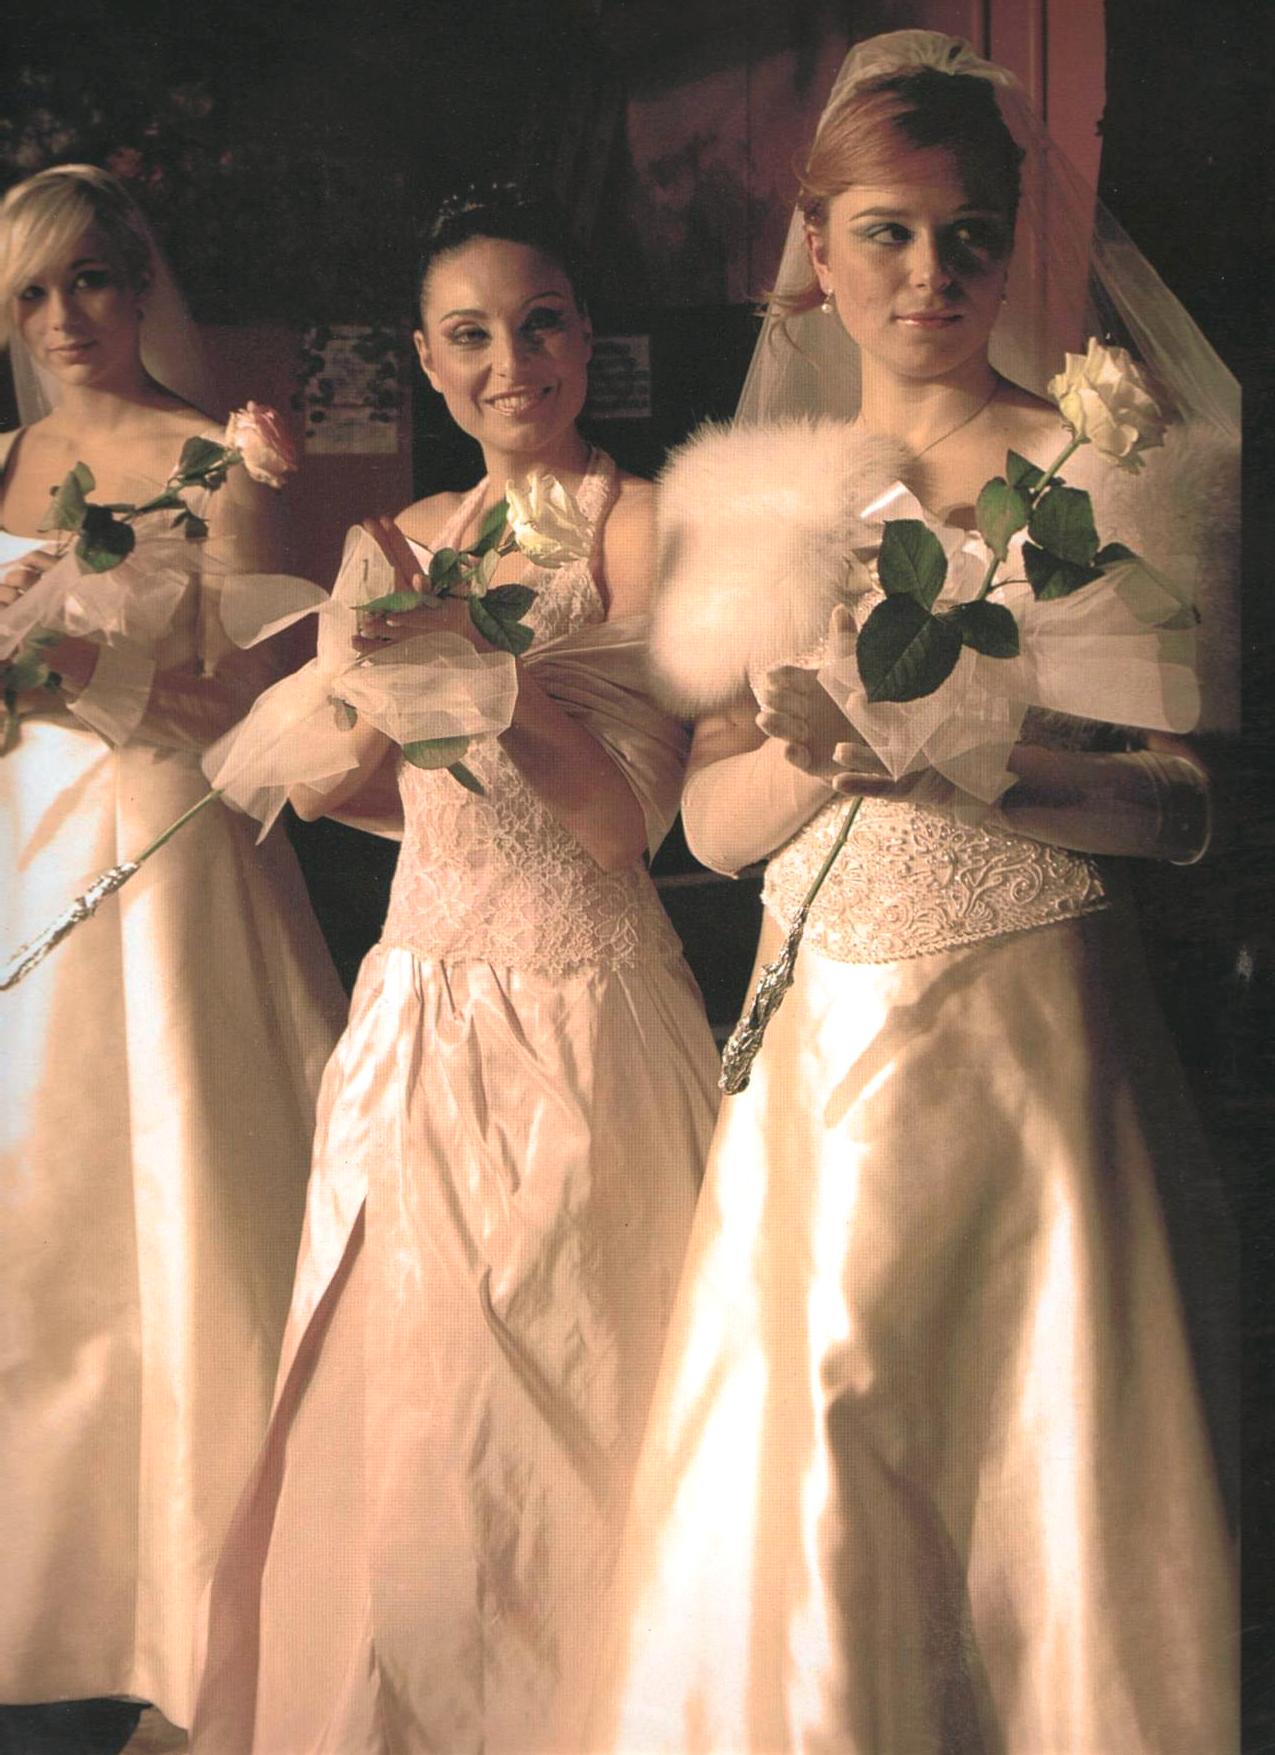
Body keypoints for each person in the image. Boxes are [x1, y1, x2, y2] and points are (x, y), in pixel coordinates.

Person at [590, 31, 1238, 1754]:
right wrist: (823, 755)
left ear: (1016, 244)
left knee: (1043, 1434)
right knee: (824, 1426)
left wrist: (973, 763)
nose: (929, 273)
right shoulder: (748, 498)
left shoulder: (1103, 472)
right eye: (885, 231)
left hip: (1035, 1036)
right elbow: (712, 828)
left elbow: (1184, 814)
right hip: (823, 1043)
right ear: (816, 250)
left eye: (967, 234)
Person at [191, 185, 719, 1754]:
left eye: (539, 325)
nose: (511, 363)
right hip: (419, 1004)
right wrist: (374, 712)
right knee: (412, 1386)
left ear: (586, 339)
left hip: (583, 1006)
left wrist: (498, 684)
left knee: (581, 1363)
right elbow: (349, 795)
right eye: (472, 336)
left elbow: (626, 829)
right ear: (426, 361)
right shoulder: (397, 543)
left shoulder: (644, 526)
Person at [0, 165, 345, 1739]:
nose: (64, 317)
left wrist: (85, 665)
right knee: (41, 1220)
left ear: (140, 285)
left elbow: (257, 709)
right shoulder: (6, 461)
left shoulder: (219, 460)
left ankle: (206, 1612)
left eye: (89, 279)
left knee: (185, 1197)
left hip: (162, 851)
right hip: (22, 849)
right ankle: (48, 1603)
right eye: (32, 292)